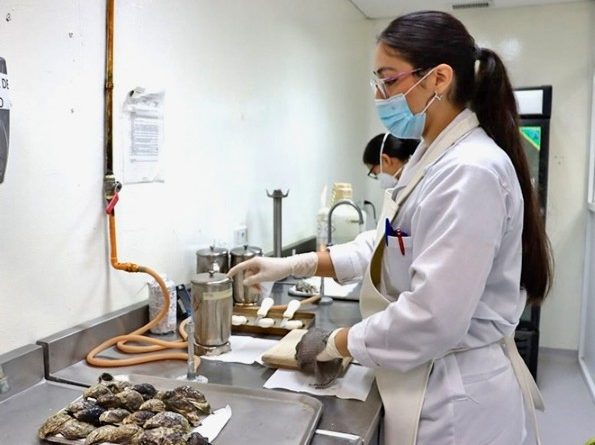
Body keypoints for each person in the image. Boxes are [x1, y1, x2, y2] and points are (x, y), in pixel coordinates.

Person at [229, 10, 552, 445]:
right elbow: (389, 244)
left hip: (457, 402)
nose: (380, 95)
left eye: (388, 79)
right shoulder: (431, 157)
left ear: (438, 79)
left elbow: (433, 317)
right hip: (429, 378)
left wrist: (337, 342)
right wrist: (294, 264)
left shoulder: (469, 171)